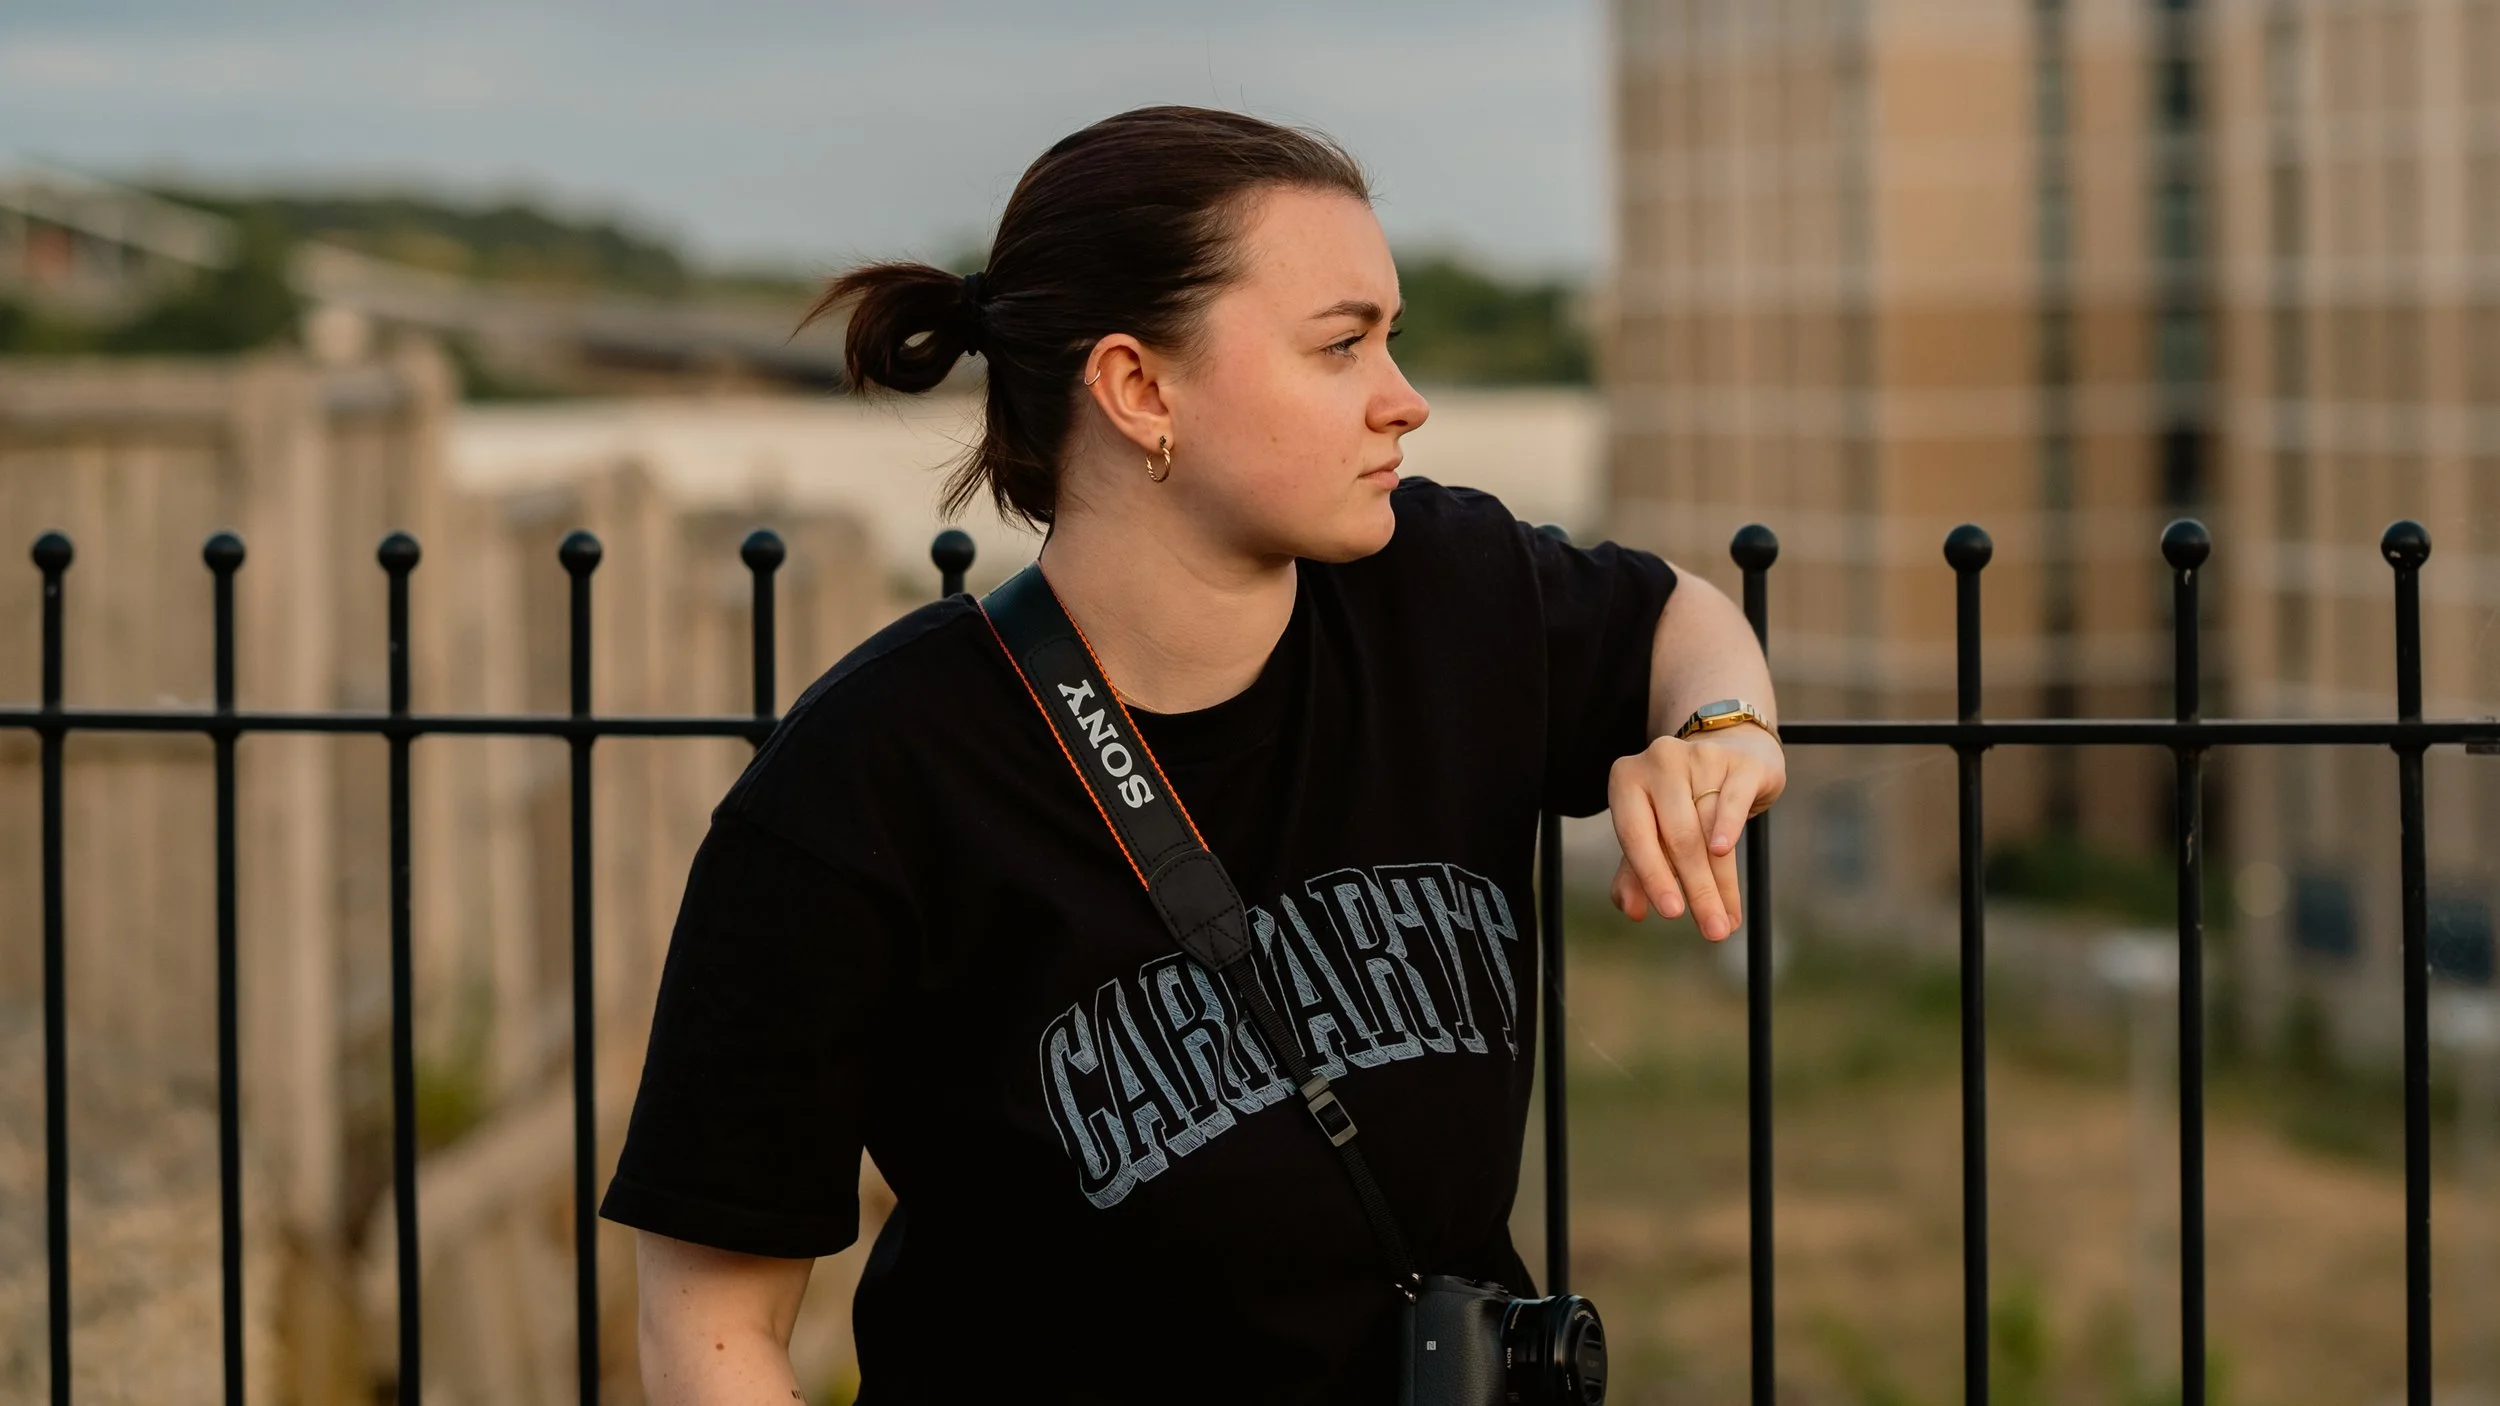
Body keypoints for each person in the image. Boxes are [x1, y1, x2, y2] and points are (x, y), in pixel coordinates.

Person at [600, 104, 1785, 1405]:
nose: (1406, 398)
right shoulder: (871, 778)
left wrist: (1718, 733)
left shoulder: (1447, 591)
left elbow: (1685, 616)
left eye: (1391, 336)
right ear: (1138, 388)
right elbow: (709, 1324)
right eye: (1343, 346)